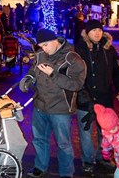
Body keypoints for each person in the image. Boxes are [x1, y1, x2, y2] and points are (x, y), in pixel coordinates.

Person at [20, 29, 86, 178]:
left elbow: (76, 85)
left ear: (55, 40)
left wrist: (53, 74)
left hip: (60, 108)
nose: (44, 49)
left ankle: (66, 173)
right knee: (39, 139)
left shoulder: (73, 58)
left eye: (46, 45)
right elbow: (33, 69)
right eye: (41, 46)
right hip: (40, 105)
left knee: (63, 144)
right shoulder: (41, 55)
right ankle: (40, 167)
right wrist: (28, 79)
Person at [74, 19, 119, 175]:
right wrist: (82, 93)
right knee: (86, 133)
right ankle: (88, 161)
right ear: (87, 33)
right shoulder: (80, 49)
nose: (97, 33)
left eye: (99, 30)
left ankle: (102, 157)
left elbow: (118, 70)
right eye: (93, 30)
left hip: (105, 98)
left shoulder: (109, 49)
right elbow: (74, 74)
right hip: (85, 98)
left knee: (106, 132)